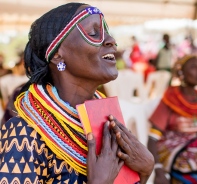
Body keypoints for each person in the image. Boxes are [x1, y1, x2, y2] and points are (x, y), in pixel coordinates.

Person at [0, 3, 154, 184]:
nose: (111, 40)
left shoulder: (106, 121)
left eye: (107, 32)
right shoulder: (24, 132)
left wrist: (145, 171)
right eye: (94, 33)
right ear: (57, 54)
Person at [147, 54, 197, 184]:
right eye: (193, 67)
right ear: (181, 72)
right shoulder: (171, 99)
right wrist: (158, 170)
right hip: (176, 152)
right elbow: (152, 139)